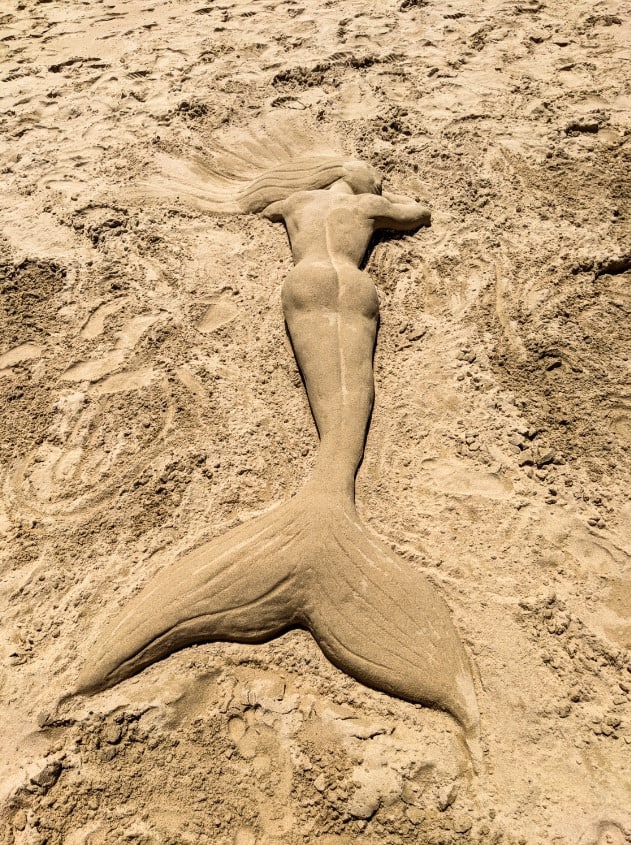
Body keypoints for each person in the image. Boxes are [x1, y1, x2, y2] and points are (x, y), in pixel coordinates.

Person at [75, 152, 480, 762]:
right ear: (358, 181)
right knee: (352, 381)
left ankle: (323, 506)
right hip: (352, 280)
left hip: (304, 278)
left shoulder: (297, 201)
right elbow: (416, 213)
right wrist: (394, 201)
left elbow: (254, 204)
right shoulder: (366, 205)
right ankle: (329, 507)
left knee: (328, 370)